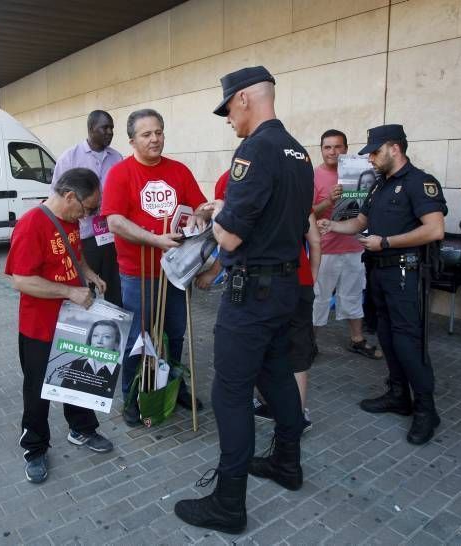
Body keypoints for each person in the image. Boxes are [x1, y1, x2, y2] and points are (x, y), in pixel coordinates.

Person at [174, 66, 314, 534]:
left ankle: (228, 503)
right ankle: (287, 463)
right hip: (285, 288)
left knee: (229, 391)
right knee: (275, 376)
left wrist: (210, 221)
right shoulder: (297, 151)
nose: (228, 118)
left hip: (250, 292)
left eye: (228, 108)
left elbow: (230, 237)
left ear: (246, 100)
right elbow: (278, 215)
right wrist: (226, 209)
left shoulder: (255, 148)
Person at [318, 124, 446, 446]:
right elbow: (361, 222)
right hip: (379, 272)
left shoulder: (420, 183)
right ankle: (399, 395)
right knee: (388, 338)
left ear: (394, 148)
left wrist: (387, 243)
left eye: (375, 152)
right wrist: (332, 224)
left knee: (408, 343)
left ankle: (426, 411)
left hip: (405, 272)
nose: (371, 159)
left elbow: (434, 230)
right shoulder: (378, 186)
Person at [4, 167, 113, 484]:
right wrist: (69, 291)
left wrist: (88, 273)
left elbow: (73, 253)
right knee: (38, 390)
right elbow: (21, 281)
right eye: (87, 208)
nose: (88, 215)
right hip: (39, 326)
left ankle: (82, 429)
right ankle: (34, 448)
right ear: (69, 197)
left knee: (77, 379)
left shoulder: (70, 221)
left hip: (71, 320)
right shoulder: (30, 225)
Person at [101, 108, 207, 426]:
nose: (155, 139)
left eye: (159, 132)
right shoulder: (121, 173)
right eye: (147, 134)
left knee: (175, 333)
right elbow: (115, 222)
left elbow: (198, 203)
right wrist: (154, 240)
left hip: (175, 271)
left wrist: (202, 214)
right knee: (138, 337)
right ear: (132, 139)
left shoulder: (178, 170)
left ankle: (175, 386)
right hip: (138, 272)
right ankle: (132, 397)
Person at [198, 170, 320, 431]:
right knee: (292, 352)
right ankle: (294, 416)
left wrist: (212, 272)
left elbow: (228, 239)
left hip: (259, 283)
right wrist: (312, 276)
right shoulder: (290, 179)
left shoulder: (233, 181)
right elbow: (315, 240)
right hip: (298, 279)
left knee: (258, 348)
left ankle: (290, 419)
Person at [312, 129, 381, 359]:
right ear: (321, 150)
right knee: (319, 298)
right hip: (324, 249)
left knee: (352, 295)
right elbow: (305, 213)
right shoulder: (312, 176)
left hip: (354, 246)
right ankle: (310, 344)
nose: (333, 152)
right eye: (327, 147)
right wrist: (328, 201)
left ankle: (357, 339)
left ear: (346, 149)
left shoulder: (362, 172)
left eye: (338, 146)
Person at [51, 110, 123, 307]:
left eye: (112, 129)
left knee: (115, 290)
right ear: (91, 129)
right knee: (84, 292)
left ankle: (115, 331)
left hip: (110, 237)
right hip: (82, 236)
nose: (110, 132)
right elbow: (56, 195)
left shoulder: (117, 158)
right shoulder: (70, 157)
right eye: (104, 128)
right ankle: (83, 333)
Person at [56, 320, 122, 396]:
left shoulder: (119, 372)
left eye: (106, 337)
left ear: (116, 344)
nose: (99, 341)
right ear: (90, 340)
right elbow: (63, 392)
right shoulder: (76, 364)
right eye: (95, 335)